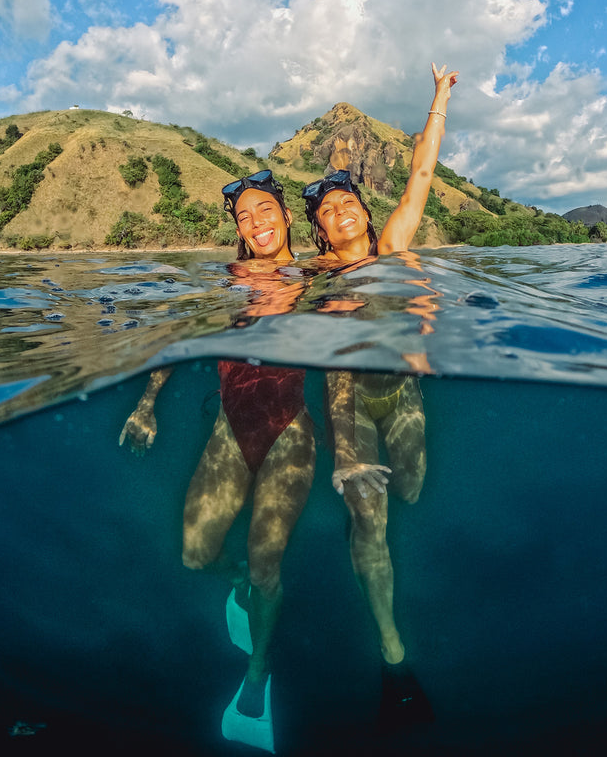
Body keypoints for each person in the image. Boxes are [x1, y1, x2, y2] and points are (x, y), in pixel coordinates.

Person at [120, 170, 314, 754]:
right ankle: (235, 581)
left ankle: (257, 674)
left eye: (263, 210)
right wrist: (147, 403)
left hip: (291, 434)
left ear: (285, 214)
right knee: (195, 554)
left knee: (267, 570)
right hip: (231, 430)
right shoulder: (226, 282)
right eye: (242, 218)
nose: (254, 224)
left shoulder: (315, 277)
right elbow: (180, 337)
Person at [302, 62, 457, 728]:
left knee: (414, 488)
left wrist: (438, 99)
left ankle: (361, 509)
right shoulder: (314, 271)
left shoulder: (394, 246)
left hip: (401, 394)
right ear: (319, 229)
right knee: (374, 518)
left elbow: (421, 171)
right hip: (347, 404)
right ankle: (394, 655)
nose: (337, 212)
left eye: (346, 203)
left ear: (364, 211)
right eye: (325, 210)